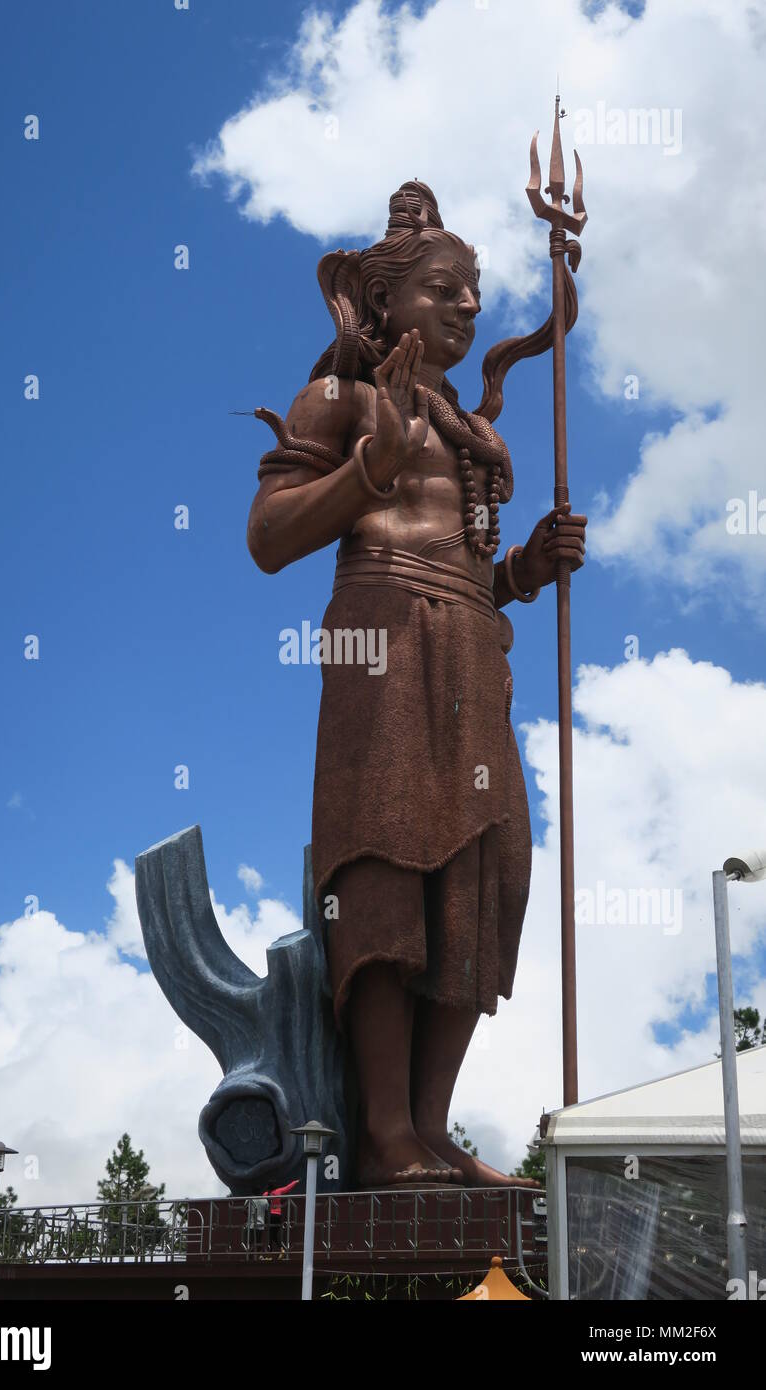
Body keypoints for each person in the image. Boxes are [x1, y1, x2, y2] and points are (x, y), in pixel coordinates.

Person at [247, 181, 586, 1189]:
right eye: (443, 288)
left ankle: (431, 1128)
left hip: (474, 651)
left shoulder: (473, 433)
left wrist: (524, 568)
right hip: (379, 643)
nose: (468, 307)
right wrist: (365, 470)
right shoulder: (339, 399)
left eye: (475, 291)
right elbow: (268, 539)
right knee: (386, 876)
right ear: (385, 300)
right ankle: (385, 1133)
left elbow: (477, 567)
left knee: (486, 882)